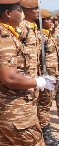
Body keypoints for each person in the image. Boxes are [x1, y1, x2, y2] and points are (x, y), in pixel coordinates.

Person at [0, 0, 56, 145]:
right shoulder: (3, 37)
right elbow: (10, 78)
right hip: (11, 107)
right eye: (18, 11)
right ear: (8, 13)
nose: (20, 15)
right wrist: (38, 82)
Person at [36, 9, 59, 145]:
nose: (51, 21)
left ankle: (47, 132)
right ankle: (45, 133)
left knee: (48, 104)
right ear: (41, 21)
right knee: (44, 105)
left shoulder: (49, 36)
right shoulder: (39, 38)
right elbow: (37, 59)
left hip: (54, 75)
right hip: (46, 77)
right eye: (48, 19)